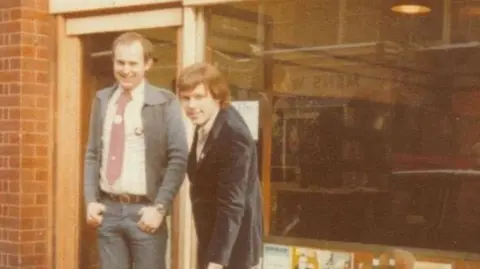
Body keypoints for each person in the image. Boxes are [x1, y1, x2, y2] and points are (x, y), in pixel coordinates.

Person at [83, 31, 188, 269]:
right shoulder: (102, 100)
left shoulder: (164, 101)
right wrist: (90, 200)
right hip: (108, 212)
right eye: (120, 62)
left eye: (133, 63)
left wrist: (160, 208)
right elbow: (92, 154)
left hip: (145, 213)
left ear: (147, 64)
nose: (126, 70)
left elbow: (178, 157)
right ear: (113, 62)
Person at [177, 62, 263, 269]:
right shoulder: (207, 122)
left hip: (233, 251)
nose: (191, 105)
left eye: (199, 97)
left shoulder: (233, 134)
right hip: (214, 241)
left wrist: (216, 261)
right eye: (186, 98)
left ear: (217, 96)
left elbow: (232, 204)